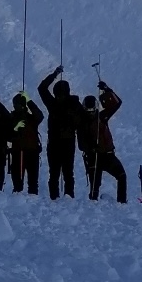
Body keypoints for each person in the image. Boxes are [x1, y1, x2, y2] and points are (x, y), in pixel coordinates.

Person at [37, 65, 84, 199]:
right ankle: (67, 197)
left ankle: (56, 199)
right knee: (65, 173)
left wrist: (54, 74)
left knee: (57, 174)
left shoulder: (54, 104)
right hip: (65, 143)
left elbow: (41, 88)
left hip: (57, 143)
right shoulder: (73, 104)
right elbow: (82, 121)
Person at [79, 82, 127, 203]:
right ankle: (93, 208)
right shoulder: (82, 123)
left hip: (108, 155)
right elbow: (81, 144)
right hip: (93, 157)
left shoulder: (102, 116)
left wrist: (107, 90)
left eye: (92, 110)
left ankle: (122, 203)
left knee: (121, 176)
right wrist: (91, 148)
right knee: (95, 187)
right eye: (87, 111)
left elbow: (117, 103)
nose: (90, 113)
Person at [7, 91, 44, 195]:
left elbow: (40, 116)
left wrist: (29, 101)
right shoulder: (12, 118)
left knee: (33, 182)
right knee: (17, 182)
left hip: (32, 152)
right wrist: (15, 128)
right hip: (18, 152)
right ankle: (18, 201)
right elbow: (8, 136)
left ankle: (32, 200)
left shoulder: (31, 118)